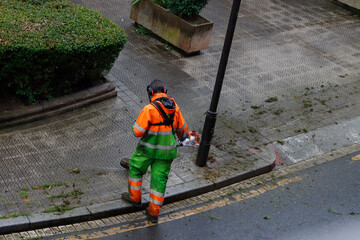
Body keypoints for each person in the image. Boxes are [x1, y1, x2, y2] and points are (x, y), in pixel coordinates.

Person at [121, 79, 189, 223]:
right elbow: (182, 130)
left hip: (147, 150)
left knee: (135, 168)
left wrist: (134, 124)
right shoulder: (175, 108)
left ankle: (135, 199)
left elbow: (138, 132)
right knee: (159, 182)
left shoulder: (149, 109)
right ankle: (153, 213)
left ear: (150, 93)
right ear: (165, 91)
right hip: (166, 153)